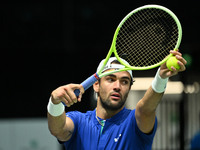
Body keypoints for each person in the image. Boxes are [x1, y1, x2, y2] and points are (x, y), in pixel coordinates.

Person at [47, 50, 187, 150]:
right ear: (96, 85)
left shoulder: (135, 122)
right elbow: (57, 129)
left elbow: (145, 108)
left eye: (125, 82)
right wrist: (55, 103)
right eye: (110, 79)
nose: (118, 86)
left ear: (129, 88)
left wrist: (161, 78)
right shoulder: (78, 120)